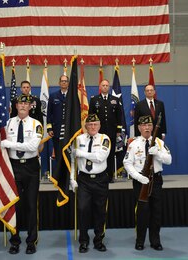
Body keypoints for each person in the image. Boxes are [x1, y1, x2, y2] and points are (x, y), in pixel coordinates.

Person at [1, 94, 43, 255]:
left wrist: (10, 143)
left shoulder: (36, 124)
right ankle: (15, 240)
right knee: (14, 205)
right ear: (16, 106)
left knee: (32, 206)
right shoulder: (8, 123)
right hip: (13, 167)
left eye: (26, 104)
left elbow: (33, 147)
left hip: (31, 168)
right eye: (20, 103)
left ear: (31, 106)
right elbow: (1, 144)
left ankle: (31, 241)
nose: (23, 106)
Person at [123, 115, 171, 251]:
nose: (147, 128)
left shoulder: (159, 143)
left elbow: (169, 160)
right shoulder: (133, 144)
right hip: (141, 181)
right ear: (139, 128)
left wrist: (158, 154)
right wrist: (138, 177)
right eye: (144, 126)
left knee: (156, 212)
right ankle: (140, 241)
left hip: (156, 180)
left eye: (149, 125)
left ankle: (155, 241)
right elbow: (127, 163)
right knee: (142, 212)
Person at [70, 113, 111, 253]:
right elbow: (73, 161)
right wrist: (72, 178)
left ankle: (99, 240)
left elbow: (100, 157)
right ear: (86, 126)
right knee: (82, 209)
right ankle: (83, 240)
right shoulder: (78, 139)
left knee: (100, 211)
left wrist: (81, 153)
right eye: (90, 124)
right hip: (84, 180)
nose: (93, 127)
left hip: (100, 180)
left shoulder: (105, 139)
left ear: (99, 126)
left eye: (95, 124)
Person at [88, 79, 122, 182]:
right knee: (99, 153)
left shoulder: (115, 99)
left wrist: (118, 130)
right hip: (99, 133)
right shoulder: (94, 100)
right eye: (103, 85)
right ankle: (100, 175)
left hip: (111, 131)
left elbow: (119, 116)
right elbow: (91, 116)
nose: (105, 87)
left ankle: (109, 176)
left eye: (107, 85)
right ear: (100, 87)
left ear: (109, 87)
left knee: (110, 154)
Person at [46, 75, 69, 158]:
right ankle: (59, 171)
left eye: (65, 81)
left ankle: (68, 171)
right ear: (59, 83)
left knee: (68, 154)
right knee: (58, 153)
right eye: (62, 81)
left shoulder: (72, 96)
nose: (64, 82)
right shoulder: (53, 96)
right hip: (56, 130)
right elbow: (49, 113)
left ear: (68, 83)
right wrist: (49, 128)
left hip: (68, 129)